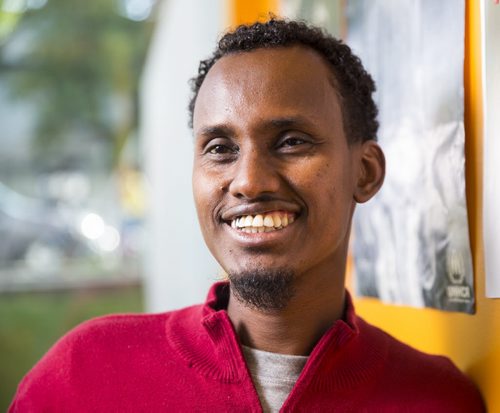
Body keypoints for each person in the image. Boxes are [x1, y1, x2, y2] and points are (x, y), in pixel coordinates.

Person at [9, 19, 484, 412]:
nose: (249, 181)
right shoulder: (83, 374)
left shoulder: (438, 399)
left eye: (292, 141)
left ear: (365, 172)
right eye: (220, 148)